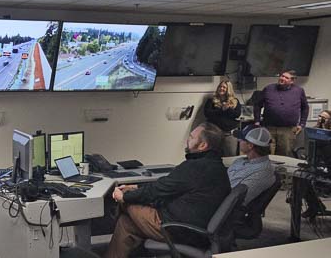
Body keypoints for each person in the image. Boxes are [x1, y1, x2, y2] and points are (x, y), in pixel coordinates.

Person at [104, 122, 231, 258]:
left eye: (192, 137)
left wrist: (123, 196)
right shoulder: (215, 166)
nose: (188, 139)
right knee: (126, 223)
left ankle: (117, 210)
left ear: (202, 145)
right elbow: (167, 185)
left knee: (127, 203)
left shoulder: (196, 167)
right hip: (192, 227)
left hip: (176, 229)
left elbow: (157, 191)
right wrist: (135, 187)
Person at [253, 70, 309, 156]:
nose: (282, 78)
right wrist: (257, 120)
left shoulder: (299, 91)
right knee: (266, 154)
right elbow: (257, 105)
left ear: (292, 81)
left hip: (287, 130)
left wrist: (302, 124)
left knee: (284, 155)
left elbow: (305, 107)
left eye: (286, 77)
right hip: (269, 128)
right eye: (282, 76)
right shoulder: (269, 88)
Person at [228, 125, 275, 205]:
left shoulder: (262, 172)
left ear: (250, 145)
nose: (239, 141)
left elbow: (235, 201)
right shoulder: (240, 161)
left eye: (241, 139)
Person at [301, 110, 331, 219]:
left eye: (324, 118)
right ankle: (314, 205)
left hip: (328, 166)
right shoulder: (313, 133)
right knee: (302, 180)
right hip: (317, 165)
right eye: (319, 116)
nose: (320, 119)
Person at [204, 80, 242, 156]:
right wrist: (221, 110)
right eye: (220, 86)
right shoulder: (211, 101)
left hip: (229, 134)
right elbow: (207, 113)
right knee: (214, 155)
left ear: (228, 89)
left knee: (230, 155)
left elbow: (237, 114)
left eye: (224, 87)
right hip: (214, 134)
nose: (221, 88)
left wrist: (228, 109)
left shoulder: (235, 101)